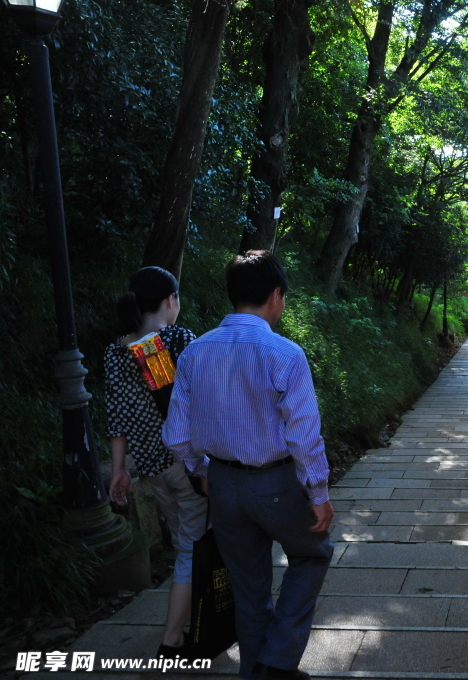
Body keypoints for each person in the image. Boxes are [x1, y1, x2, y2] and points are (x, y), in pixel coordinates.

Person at [163, 251, 334, 680]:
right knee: (312, 556)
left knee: (248, 585)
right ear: (276, 296)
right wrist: (319, 493)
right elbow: (302, 434)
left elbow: (176, 434)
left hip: (221, 484)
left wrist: (201, 471)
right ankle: (276, 662)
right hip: (275, 481)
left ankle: (255, 671)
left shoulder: (195, 352)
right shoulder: (284, 353)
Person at [105, 266, 207, 658]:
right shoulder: (167, 343)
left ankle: (193, 619)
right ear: (170, 301)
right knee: (192, 548)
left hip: (152, 470)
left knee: (186, 543)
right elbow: (186, 411)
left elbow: (116, 421)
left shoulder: (116, 352)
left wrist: (119, 472)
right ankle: (174, 637)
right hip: (185, 465)